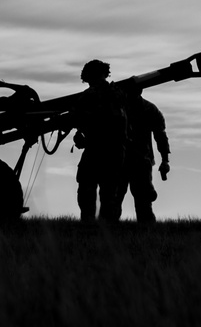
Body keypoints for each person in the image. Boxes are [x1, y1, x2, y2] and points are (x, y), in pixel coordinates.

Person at [71, 60, 128, 222]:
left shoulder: (91, 96)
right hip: (113, 151)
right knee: (107, 193)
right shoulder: (118, 94)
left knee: (90, 192)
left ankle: (92, 227)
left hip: (100, 150)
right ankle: (105, 231)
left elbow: (77, 117)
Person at [119, 84, 170, 223]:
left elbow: (160, 136)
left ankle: (146, 234)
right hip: (122, 160)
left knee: (143, 202)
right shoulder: (118, 107)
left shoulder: (149, 109)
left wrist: (165, 160)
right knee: (113, 201)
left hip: (138, 161)